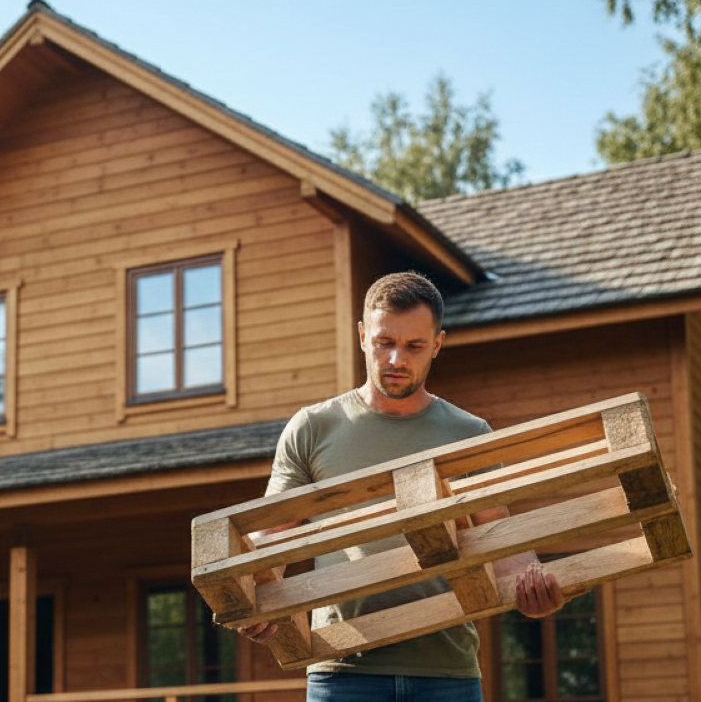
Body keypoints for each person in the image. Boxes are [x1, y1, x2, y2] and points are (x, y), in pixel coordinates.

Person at [239, 271, 566, 702]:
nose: (396, 359)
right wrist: (250, 595)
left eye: (413, 345)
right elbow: (271, 538)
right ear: (361, 336)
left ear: (437, 344)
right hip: (343, 671)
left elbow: (500, 540)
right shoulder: (313, 429)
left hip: (446, 670)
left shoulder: (468, 434)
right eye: (384, 342)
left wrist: (534, 588)